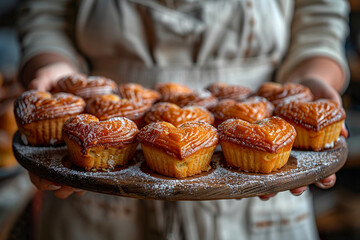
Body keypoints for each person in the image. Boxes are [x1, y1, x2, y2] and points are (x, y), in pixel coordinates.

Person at [17, 0, 349, 239]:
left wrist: (314, 78)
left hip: (260, 168)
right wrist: (53, 68)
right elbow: (44, 14)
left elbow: (320, 18)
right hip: (96, 189)